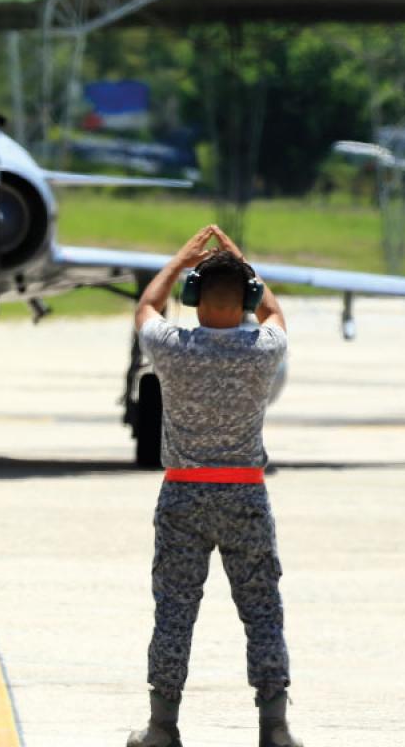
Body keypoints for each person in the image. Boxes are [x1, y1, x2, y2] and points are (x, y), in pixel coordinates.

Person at [126, 225, 302, 747]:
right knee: (262, 610)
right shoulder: (262, 349)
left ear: (195, 299)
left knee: (175, 613)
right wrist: (242, 262)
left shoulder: (172, 347)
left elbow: (146, 309)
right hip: (245, 494)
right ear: (245, 298)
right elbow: (275, 314)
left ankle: (162, 727)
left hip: (183, 493)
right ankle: (274, 728)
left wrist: (182, 261)